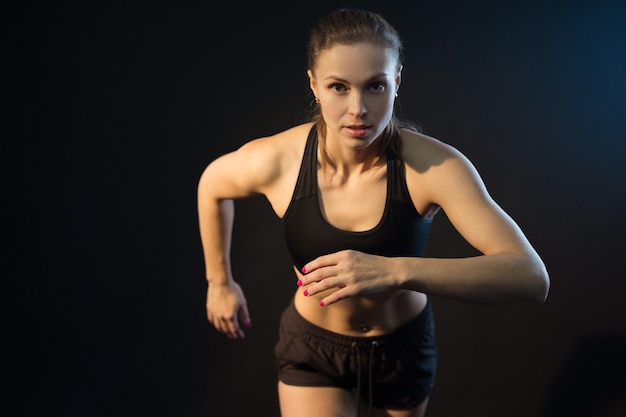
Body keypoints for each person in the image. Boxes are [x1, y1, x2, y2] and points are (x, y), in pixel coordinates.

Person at [197, 8, 549, 417]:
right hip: (315, 348)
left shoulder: (436, 168)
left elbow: (530, 276)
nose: (358, 109)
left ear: (396, 82)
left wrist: (394, 271)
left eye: (375, 86)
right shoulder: (279, 160)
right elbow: (212, 185)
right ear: (314, 85)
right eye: (338, 87)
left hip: (402, 349)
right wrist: (218, 281)